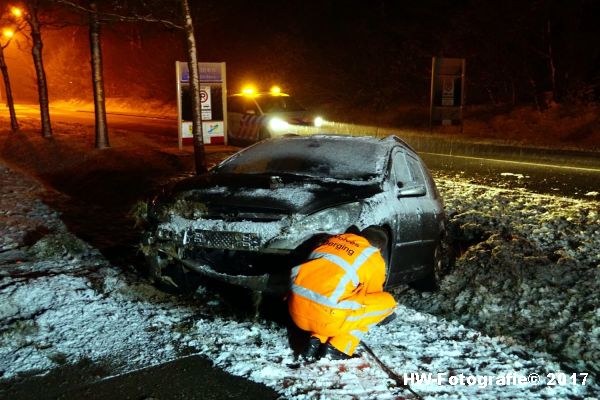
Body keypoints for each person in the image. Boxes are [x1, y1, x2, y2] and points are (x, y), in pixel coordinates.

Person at [288, 232, 397, 361]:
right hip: (328, 320)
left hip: (296, 312)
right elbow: (373, 295)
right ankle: (338, 348)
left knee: (332, 298)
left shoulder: (332, 241)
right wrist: (382, 315)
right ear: (379, 249)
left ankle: (316, 339)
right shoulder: (372, 256)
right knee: (385, 303)